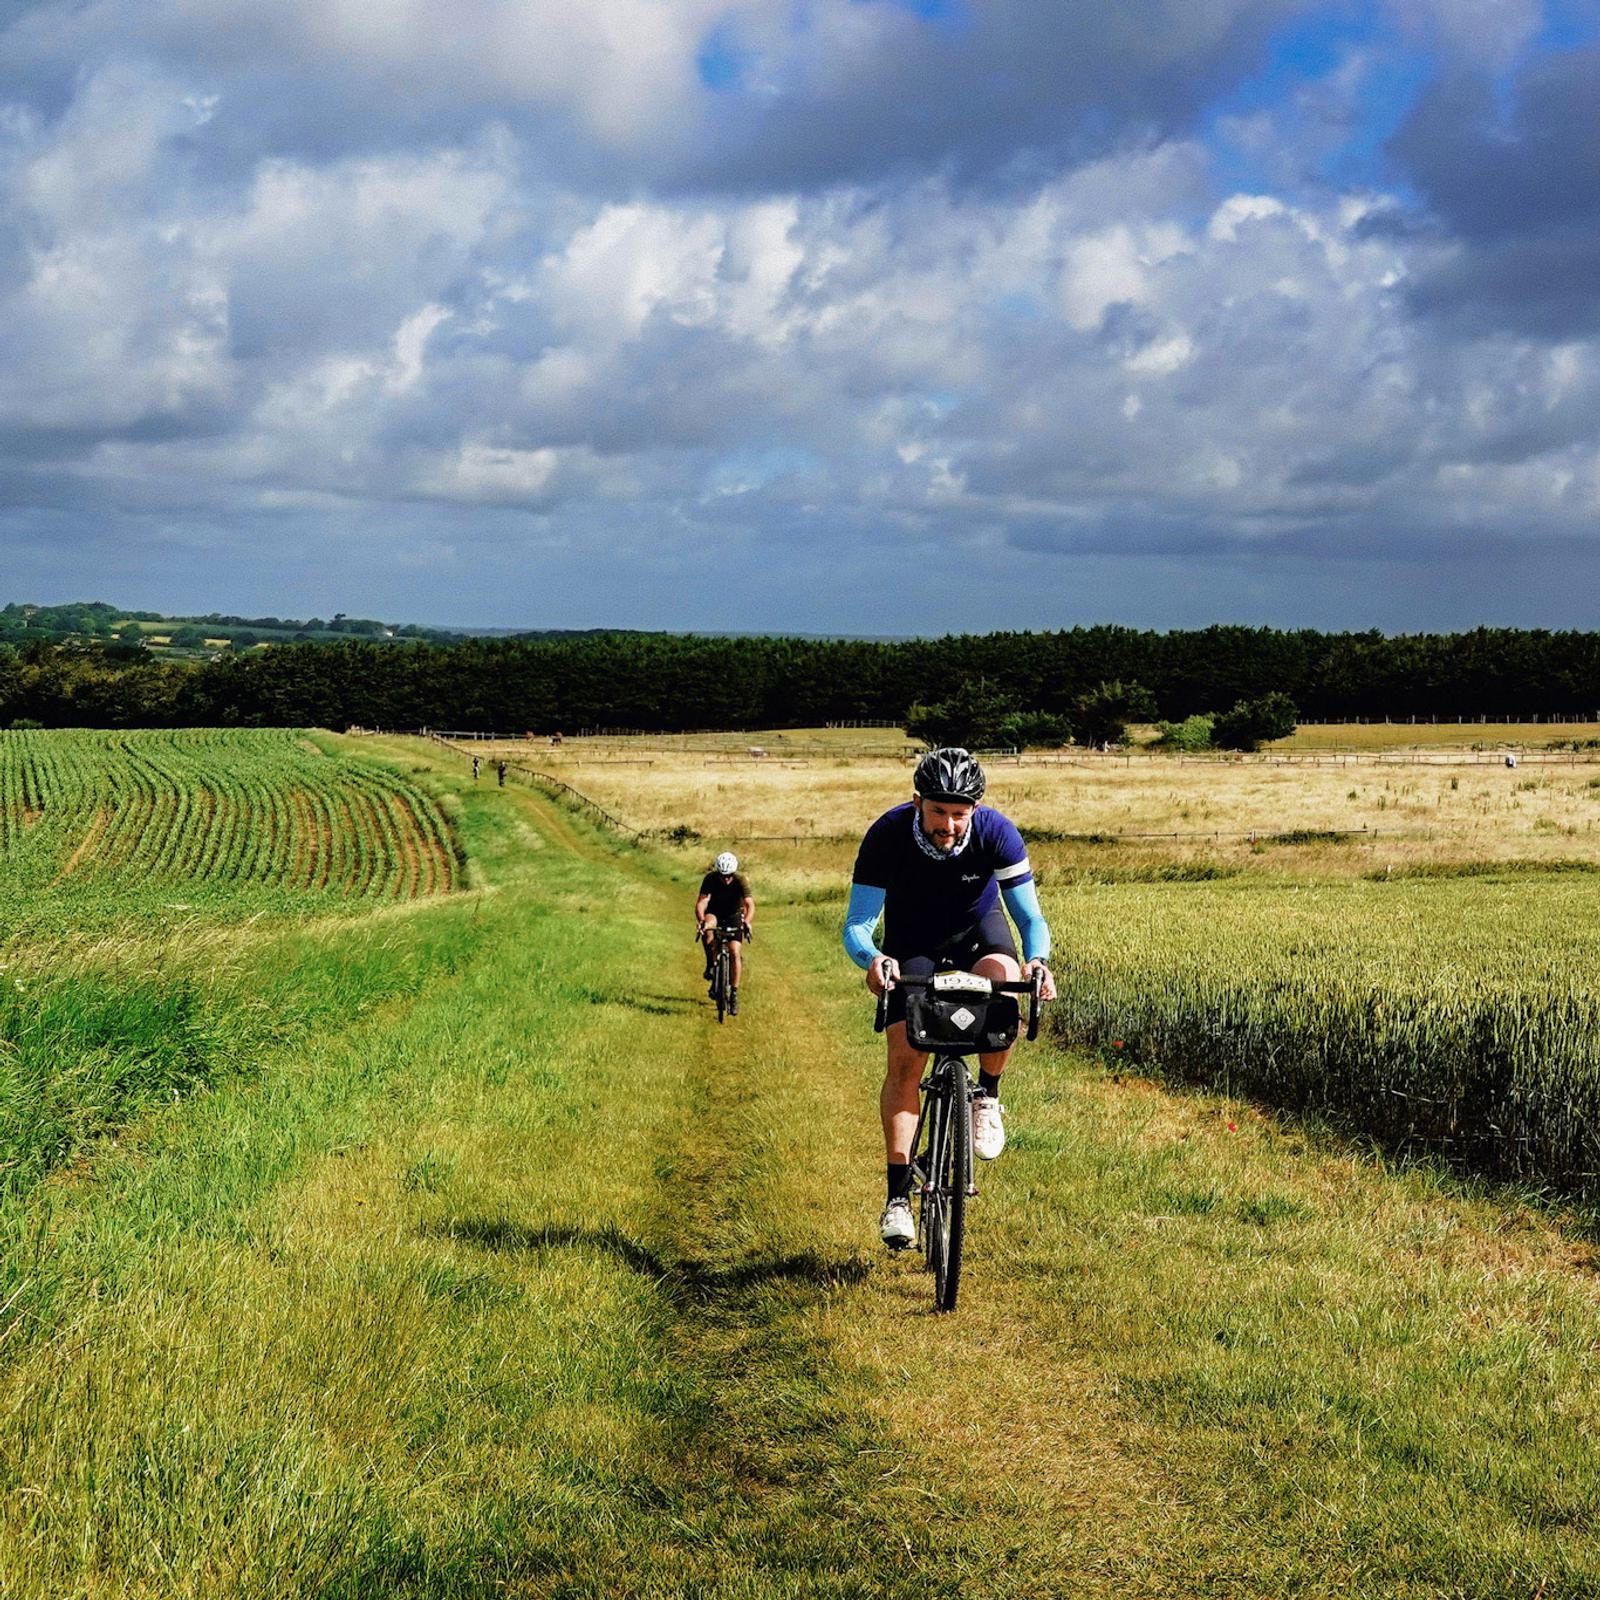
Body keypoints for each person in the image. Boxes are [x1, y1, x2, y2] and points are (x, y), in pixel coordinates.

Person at [841, 747, 1056, 1250]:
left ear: (975, 811)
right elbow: (858, 924)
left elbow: (1029, 919)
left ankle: (987, 1096)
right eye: (939, 812)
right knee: (906, 1060)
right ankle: (897, 1199)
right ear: (918, 802)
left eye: (960, 814)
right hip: (911, 941)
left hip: (978, 932)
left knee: (1004, 985)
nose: (950, 824)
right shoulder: (888, 835)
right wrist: (872, 959)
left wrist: (1038, 959)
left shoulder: (997, 834)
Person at [696, 851, 754, 1015]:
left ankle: (733, 994)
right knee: (708, 930)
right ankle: (711, 965)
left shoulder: (740, 880)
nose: (726, 879)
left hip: (734, 915)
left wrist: (747, 922)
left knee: (735, 951)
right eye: (723, 876)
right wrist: (702, 920)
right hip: (715, 913)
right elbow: (702, 901)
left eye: (729, 876)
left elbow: (749, 904)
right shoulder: (710, 879)